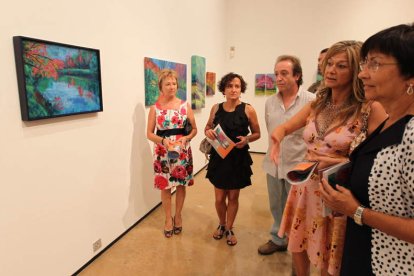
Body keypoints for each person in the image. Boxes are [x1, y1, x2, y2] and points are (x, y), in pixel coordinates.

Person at [271, 41, 387, 275]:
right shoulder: (318, 104)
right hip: (305, 186)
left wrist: (336, 162)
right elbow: (284, 128)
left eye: (341, 65)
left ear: (356, 70)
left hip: (336, 191)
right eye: (329, 64)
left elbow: (378, 160)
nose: (331, 70)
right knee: (298, 242)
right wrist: (277, 139)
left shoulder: (369, 108)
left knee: (330, 254)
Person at [320, 24, 414, 276]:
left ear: (410, 76)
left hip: (394, 265)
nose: (362, 75)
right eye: (364, 64)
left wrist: (358, 211)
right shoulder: (389, 121)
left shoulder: (412, 134)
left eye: (375, 64)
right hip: (366, 253)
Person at [258, 55, 316, 255]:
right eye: (276, 74)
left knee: (299, 209)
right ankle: (278, 238)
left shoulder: (311, 101)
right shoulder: (270, 103)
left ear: (297, 75)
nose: (279, 78)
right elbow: (271, 130)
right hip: (273, 164)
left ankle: (298, 243)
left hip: (298, 164)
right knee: (276, 204)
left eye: (284, 73)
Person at [205, 72, 260, 246]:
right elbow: (207, 126)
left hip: (237, 159)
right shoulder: (216, 108)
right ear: (223, 89)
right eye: (229, 86)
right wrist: (208, 131)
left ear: (241, 89)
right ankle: (221, 224)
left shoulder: (248, 109)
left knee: (233, 198)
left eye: (237, 86)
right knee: (220, 198)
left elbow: (257, 133)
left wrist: (247, 139)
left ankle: (229, 228)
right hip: (219, 157)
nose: (233, 89)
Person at [146, 69, 197, 238]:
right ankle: (168, 218)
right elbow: (150, 134)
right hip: (163, 152)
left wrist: (185, 138)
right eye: (167, 84)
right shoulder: (155, 108)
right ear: (161, 86)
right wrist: (163, 141)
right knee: (165, 186)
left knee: (181, 185)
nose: (171, 86)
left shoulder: (185, 106)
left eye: (174, 83)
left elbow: (194, 130)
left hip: (181, 150)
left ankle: (179, 215)